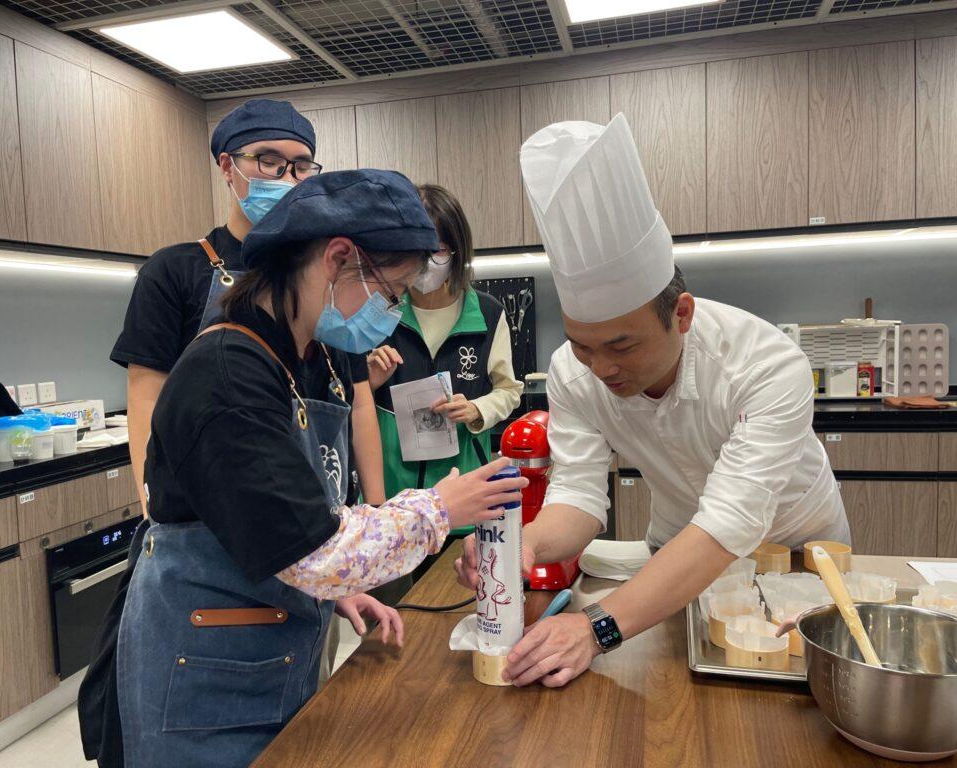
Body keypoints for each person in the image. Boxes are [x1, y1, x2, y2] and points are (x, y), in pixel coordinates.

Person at [117, 169, 528, 767]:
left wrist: (334, 595)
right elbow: (313, 549)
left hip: (269, 648)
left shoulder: (308, 359)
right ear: (339, 260)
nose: (392, 312)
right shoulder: (228, 376)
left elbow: (279, 514)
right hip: (203, 683)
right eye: (392, 292)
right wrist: (442, 507)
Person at [455, 115, 850, 688]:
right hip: (673, 559)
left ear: (681, 315)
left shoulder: (765, 365)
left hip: (796, 555)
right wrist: (529, 543)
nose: (602, 368)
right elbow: (580, 494)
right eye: (582, 345)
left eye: (621, 345)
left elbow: (730, 521)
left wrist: (596, 628)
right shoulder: (575, 373)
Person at [79, 100, 384, 767]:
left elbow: (353, 402)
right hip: (213, 561)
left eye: (301, 164)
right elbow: (149, 400)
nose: (286, 174)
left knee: (294, 733)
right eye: (267, 160)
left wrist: (360, 536)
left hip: (304, 560)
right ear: (227, 167)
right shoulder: (180, 271)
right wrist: (157, 513)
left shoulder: (326, 282)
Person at [367, 184, 523, 521]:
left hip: (465, 487)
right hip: (395, 497)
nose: (426, 264)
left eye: (436, 251)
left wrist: (476, 409)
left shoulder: (488, 312)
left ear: (456, 250)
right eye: (416, 251)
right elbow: (349, 396)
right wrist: (367, 380)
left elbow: (509, 391)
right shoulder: (376, 314)